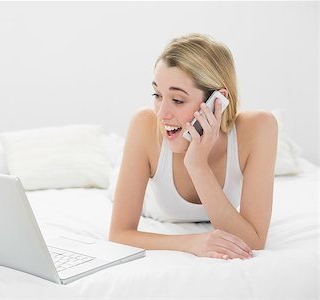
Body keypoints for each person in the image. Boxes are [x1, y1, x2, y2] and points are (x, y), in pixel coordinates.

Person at [109, 33, 278, 260]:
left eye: (177, 100)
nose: (162, 113)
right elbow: (119, 234)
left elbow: (254, 241)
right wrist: (192, 242)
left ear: (218, 100)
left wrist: (197, 165)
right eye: (157, 95)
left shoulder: (259, 127)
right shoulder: (145, 125)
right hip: (149, 197)